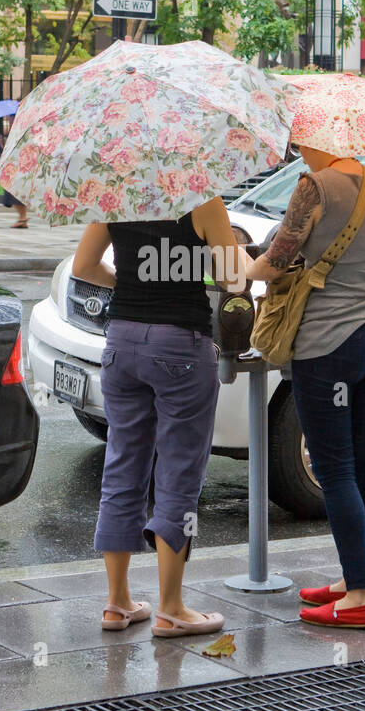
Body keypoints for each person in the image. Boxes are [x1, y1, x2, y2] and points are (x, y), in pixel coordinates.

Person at [246, 146, 365, 629]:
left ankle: (360, 597)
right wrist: (359, 256)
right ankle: (357, 580)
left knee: (335, 468)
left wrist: (242, 270)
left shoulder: (315, 186)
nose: (299, 149)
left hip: (329, 343)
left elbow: (275, 262)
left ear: (322, 139)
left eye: (302, 139)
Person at [72, 197, 247, 636]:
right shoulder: (203, 202)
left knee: (122, 467)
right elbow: (233, 279)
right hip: (180, 347)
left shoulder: (115, 193)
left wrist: (128, 284)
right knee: (179, 473)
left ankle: (117, 604)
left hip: (121, 341)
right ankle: (171, 608)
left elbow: (84, 266)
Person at [0, 125, 29, 228]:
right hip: (17, 167)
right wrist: (2, 144)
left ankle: (23, 218)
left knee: (14, 192)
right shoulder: (18, 133)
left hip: (19, 167)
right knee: (14, 192)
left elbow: (13, 152)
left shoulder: (23, 132)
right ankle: (22, 218)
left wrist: (2, 144)